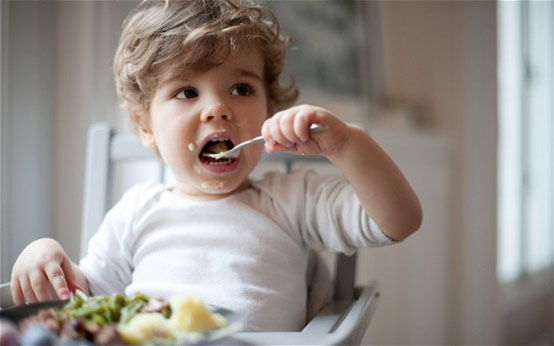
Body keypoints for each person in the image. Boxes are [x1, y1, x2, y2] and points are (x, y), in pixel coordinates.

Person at [10, 0, 422, 332]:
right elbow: (90, 301)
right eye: (187, 91)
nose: (219, 109)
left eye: (241, 88)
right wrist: (45, 256)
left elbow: (399, 221)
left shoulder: (293, 200)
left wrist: (348, 144)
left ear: (270, 109)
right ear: (144, 124)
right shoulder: (136, 212)